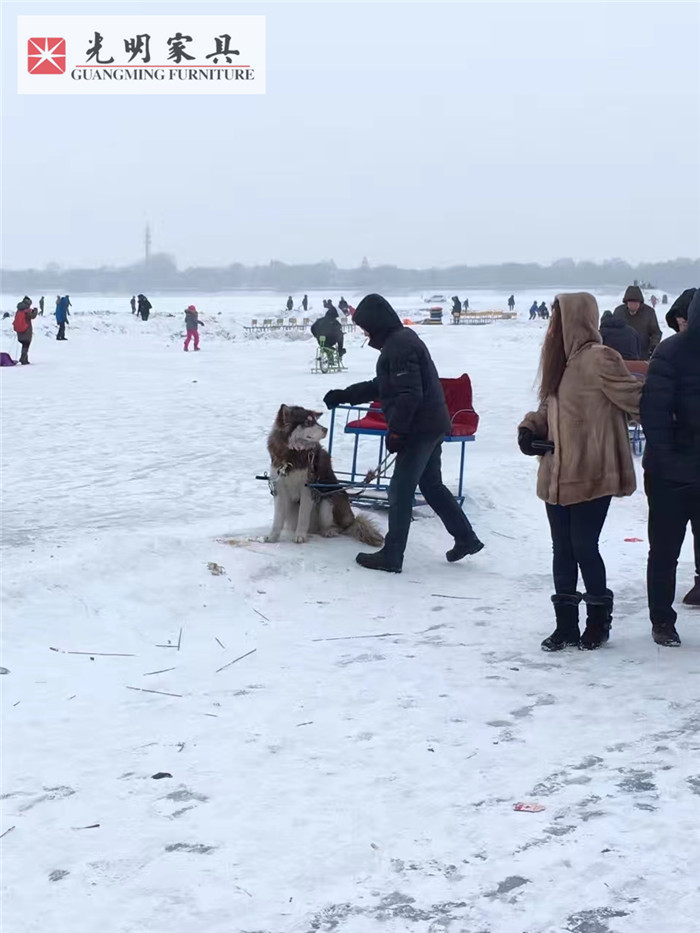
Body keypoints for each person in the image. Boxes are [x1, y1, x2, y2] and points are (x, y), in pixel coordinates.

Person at [323, 293, 483, 573]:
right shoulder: (401, 341)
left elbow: (409, 394)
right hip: (431, 424)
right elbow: (383, 385)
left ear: (376, 322)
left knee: (400, 489)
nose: (364, 332)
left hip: (418, 428)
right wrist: (345, 395)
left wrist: (397, 432)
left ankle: (392, 555)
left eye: (365, 326)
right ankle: (466, 538)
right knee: (432, 486)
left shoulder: (399, 346)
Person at [518, 293, 642, 651]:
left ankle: (598, 621)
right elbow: (547, 406)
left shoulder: (600, 358)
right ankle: (566, 626)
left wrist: (676, 411)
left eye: (558, 317)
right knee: (562, 549)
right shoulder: (563, 362)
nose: (553, 325)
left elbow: (636, 398)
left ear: (577, 319)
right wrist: (530, 429)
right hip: (557, 473)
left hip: (591, 472)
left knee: (584, 546)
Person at [640, 288, 700, 645]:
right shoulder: (671, 352)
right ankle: (662, 619)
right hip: (669, 475)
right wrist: (672, 464)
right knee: (664, 551)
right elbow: (654, 415)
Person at [612, 285, 661, 359]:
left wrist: (653, 347)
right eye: (631, 302)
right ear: (626, 302)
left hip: (642, 355)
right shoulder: (619, 312)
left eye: (636, 303)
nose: (633, 305)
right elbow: (612, 331)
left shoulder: (649, 313)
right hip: (622, 355)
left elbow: (656, 332)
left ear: (640, 303)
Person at [13, 297, 38, 365]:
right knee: (26, 345)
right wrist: (35, 310)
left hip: (19, 331)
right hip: (26, 330)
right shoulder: (27, 310)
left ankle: (24, 358)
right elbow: (32, 316)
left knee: (24, 344)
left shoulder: (19, 310)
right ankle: (23, 359)